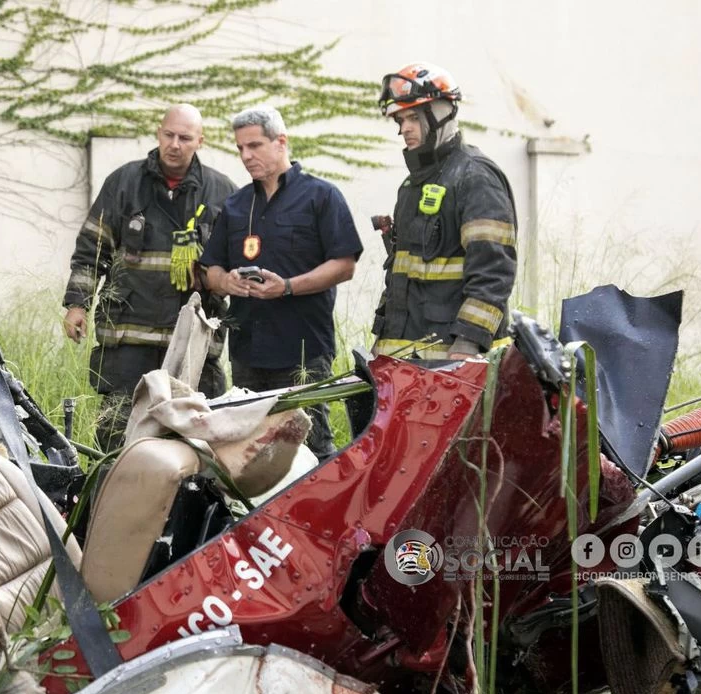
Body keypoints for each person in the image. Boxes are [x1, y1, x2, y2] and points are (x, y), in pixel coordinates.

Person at [62, 104, 237, 452]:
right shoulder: (123, 183)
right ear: (158, 133)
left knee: (196, 446)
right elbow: (92, 250)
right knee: (117, 438)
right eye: (168, 135)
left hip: (191, 345)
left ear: (200, 141)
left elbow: (237, 269)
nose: (175, 144)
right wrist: (77, 305)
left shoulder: (221, 193)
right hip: (128, 341)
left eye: (185, 137)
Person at [200, 105, 363, 460]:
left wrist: (286, 287)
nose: (246, 156)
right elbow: (210, 270)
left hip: (303, 350)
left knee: (311, 453)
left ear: (281, 142)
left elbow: (344, 265)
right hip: (247, 352)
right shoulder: (236, 205)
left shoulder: (321, 196)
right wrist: (226, 281)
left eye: (255, 145)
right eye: (240, 148)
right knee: (250, 457)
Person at [372, 62, 517, 360]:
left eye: (413, 117)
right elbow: (401, 278)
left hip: (457, 363)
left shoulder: (475, 178)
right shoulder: (411, 186)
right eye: (400, 119)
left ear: (442, 113)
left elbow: (493, 271)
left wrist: (468, 342)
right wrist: (381, 342)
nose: (404, 129)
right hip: (406, 362)